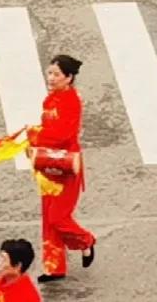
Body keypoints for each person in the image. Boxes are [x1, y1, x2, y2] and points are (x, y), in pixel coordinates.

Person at [21, 52, 96, 280]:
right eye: (49, 73)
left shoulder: (71, 102)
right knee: (48, 217)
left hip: (65, 164)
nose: (51, 78)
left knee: (58, 217)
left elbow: (63, 134)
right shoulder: (51, 99)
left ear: (69, 77)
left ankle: (87, 240)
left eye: (56, 74)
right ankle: (54, 267)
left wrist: (34, 137)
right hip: (49, 164)